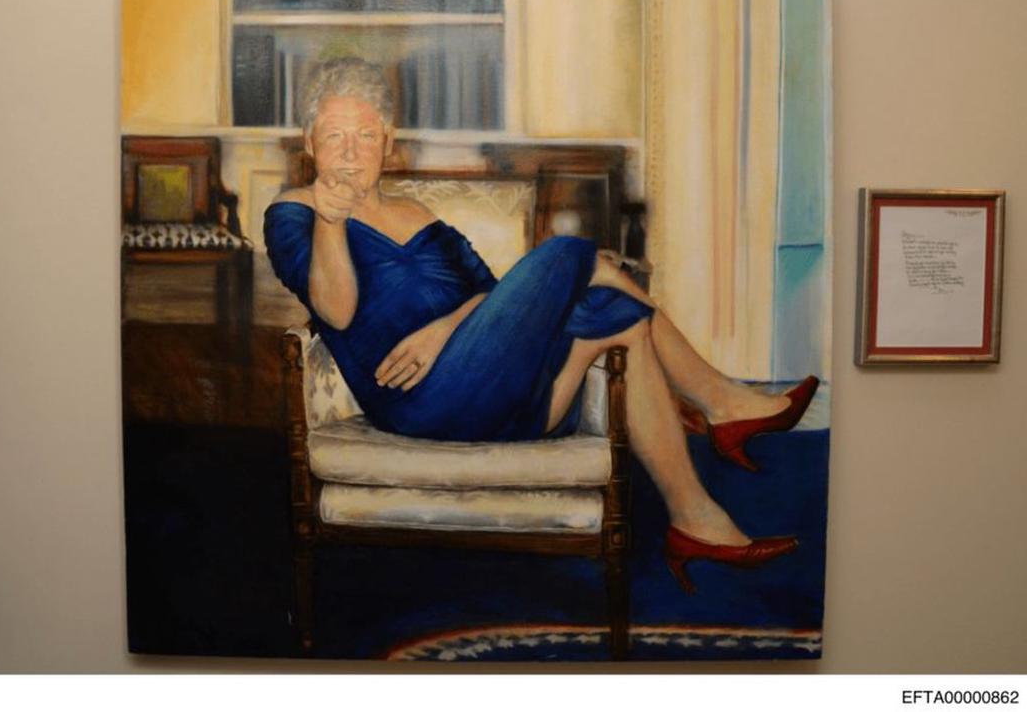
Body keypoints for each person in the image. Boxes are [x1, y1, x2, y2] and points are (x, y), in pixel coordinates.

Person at [264, 58, 819, 594]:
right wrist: (331, 222)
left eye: (365, 135)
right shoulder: (293, 213)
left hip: (500, 396)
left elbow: (490, 293)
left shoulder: (417, 214)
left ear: (388, 141)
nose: (350, 152)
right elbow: (336, 311)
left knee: (617, 316)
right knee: (569, 253)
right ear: (310, 143)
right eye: (334, 136)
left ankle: (693, 516)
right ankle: (722, 404)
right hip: (422, 404)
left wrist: (443, 330)